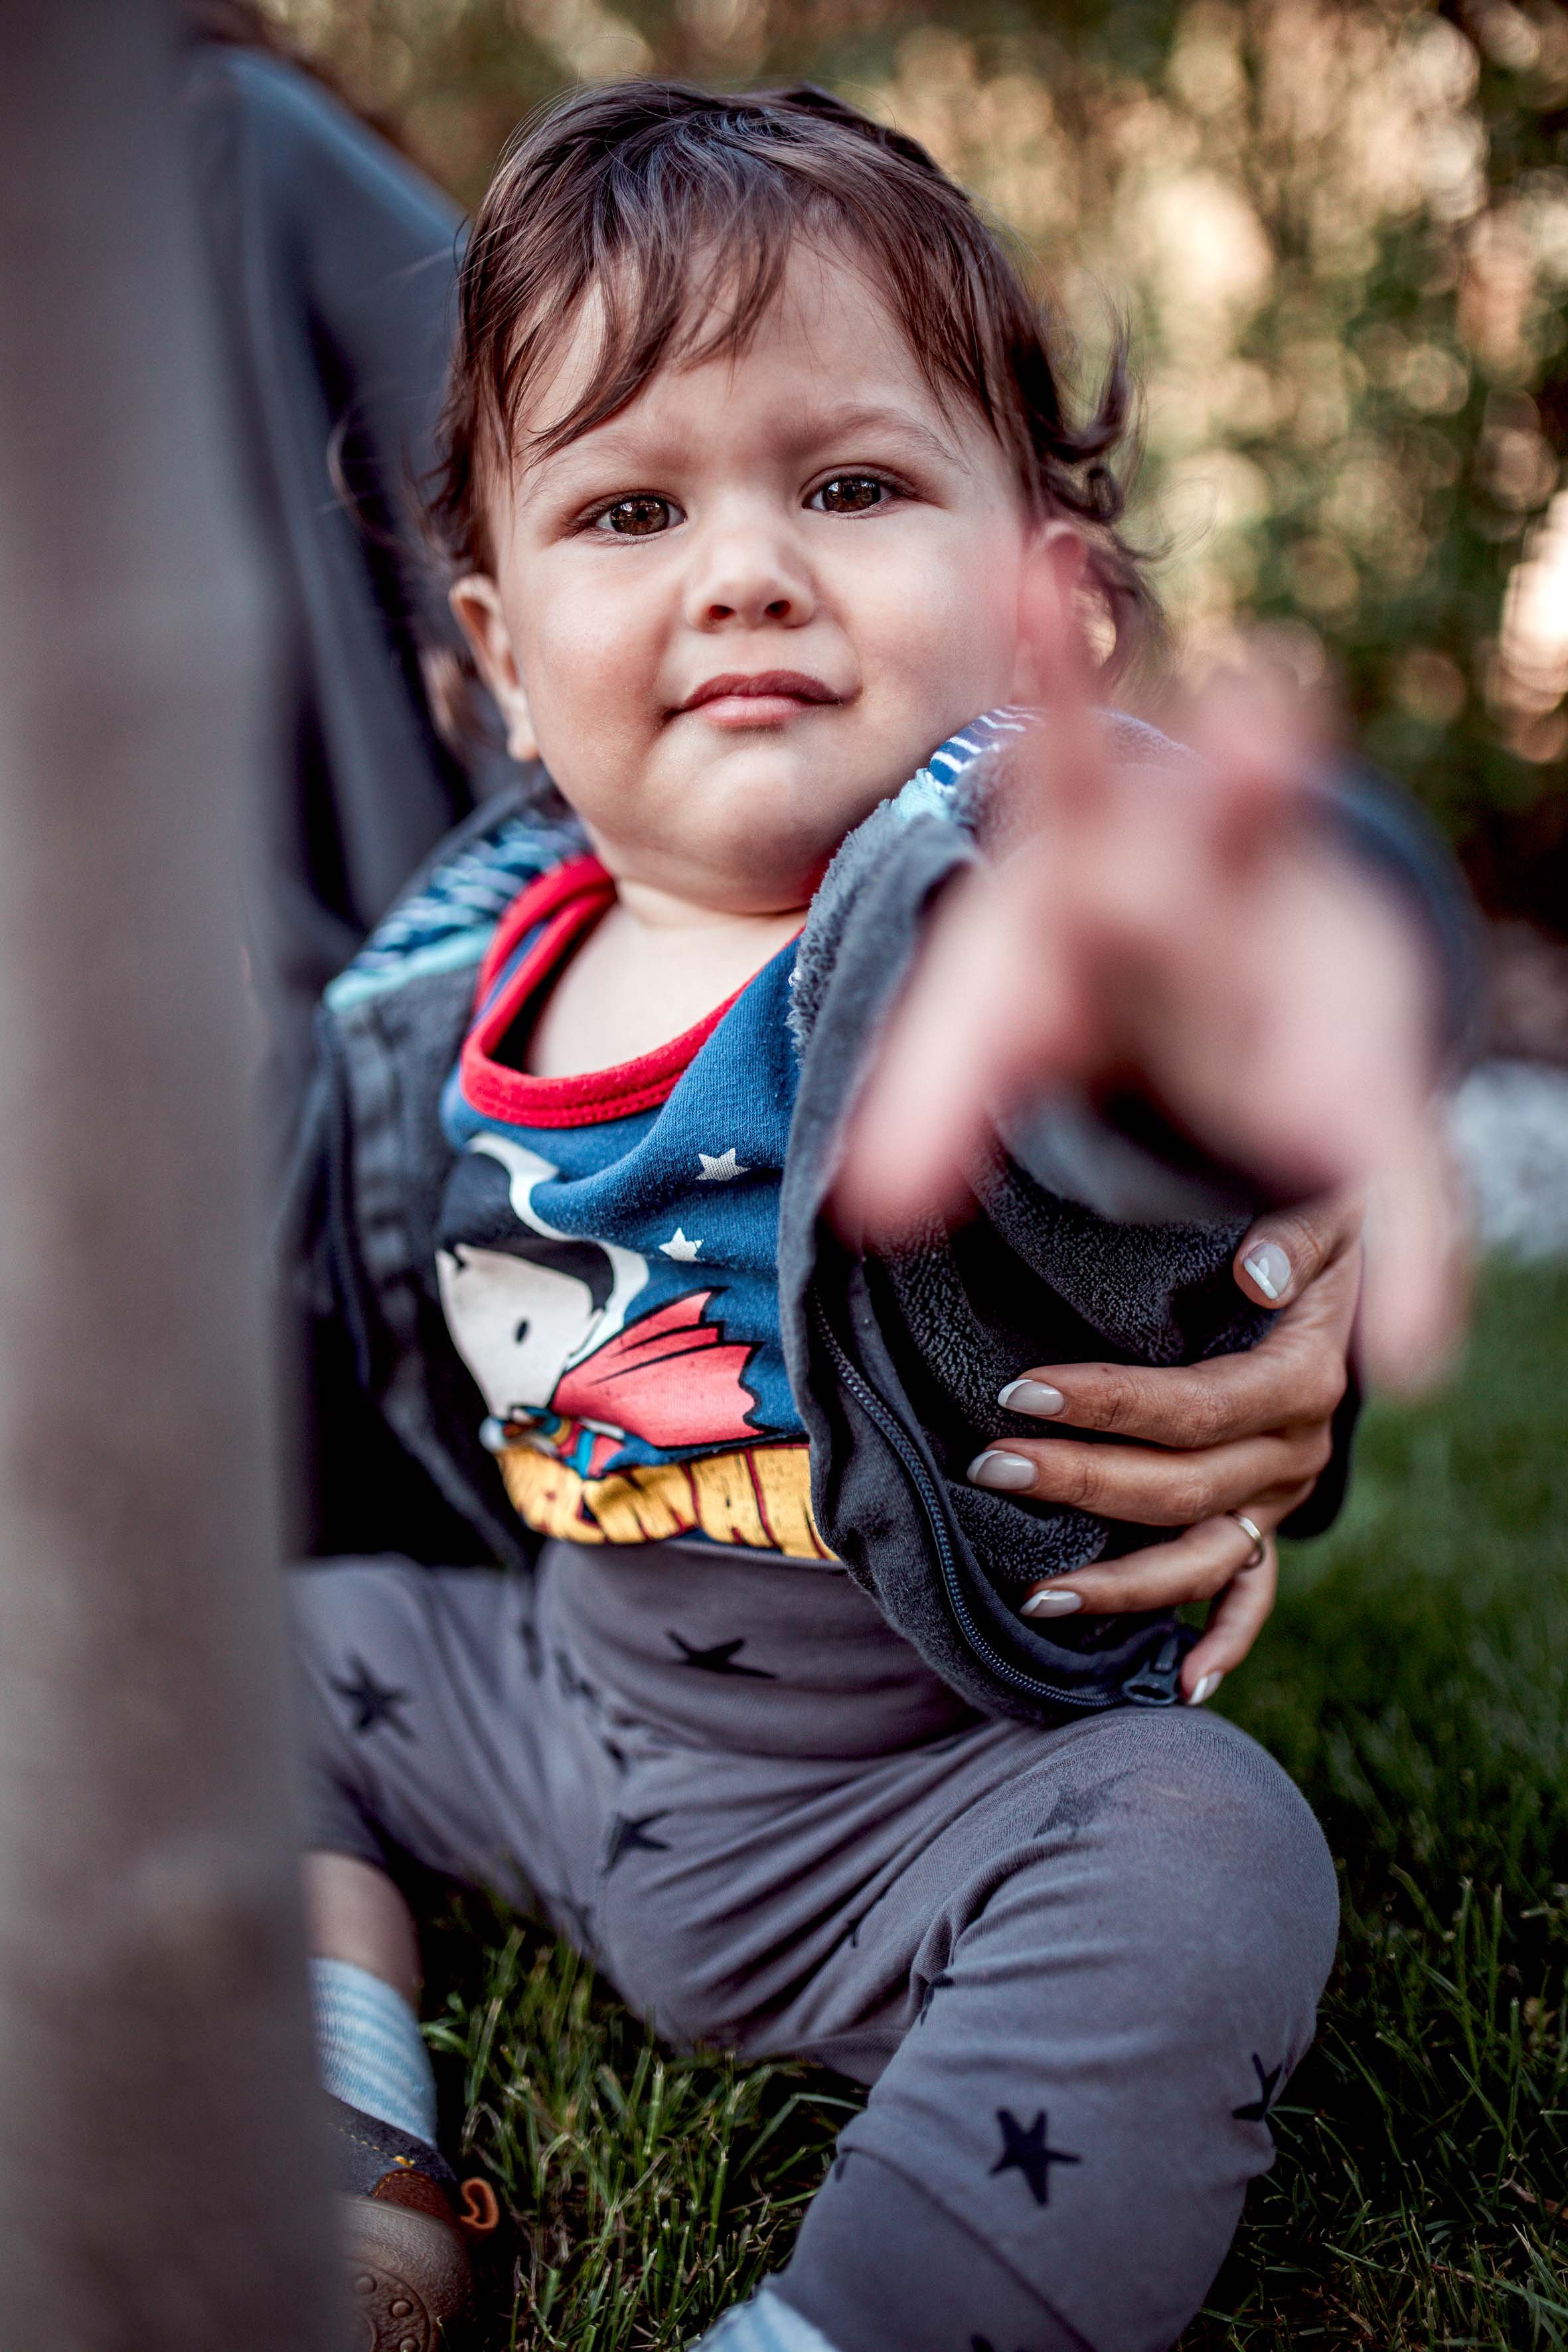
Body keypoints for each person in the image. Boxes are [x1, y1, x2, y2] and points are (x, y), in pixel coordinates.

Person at [282, 83, 1470, 2352]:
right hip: (560, 1726)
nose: (744, 566)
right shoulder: (458, 968)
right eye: (629, 507)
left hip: (948, 1803)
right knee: (218, 1667)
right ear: (499, 652)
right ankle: (348, 2129)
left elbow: (1172, 1016)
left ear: (1053, 611)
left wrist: (1237, 984)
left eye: (850, 485)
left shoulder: (986, 909)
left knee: (1208, 1860)